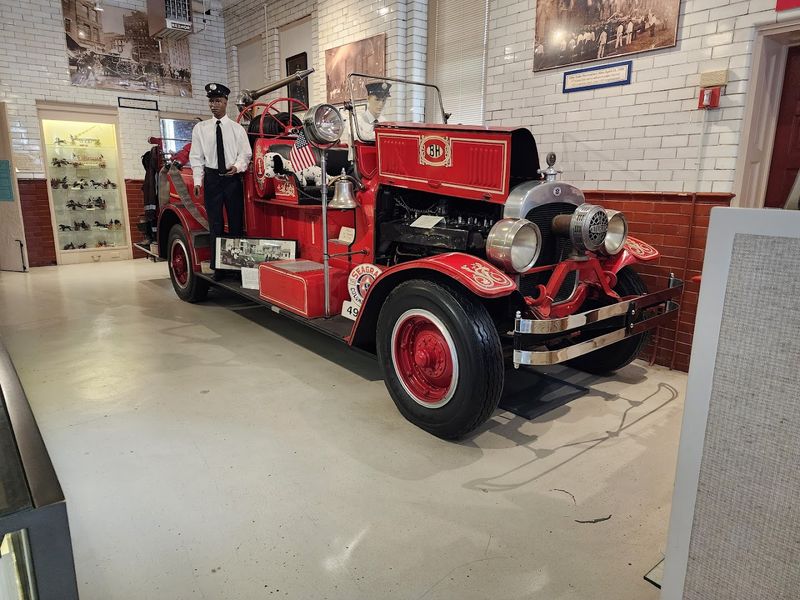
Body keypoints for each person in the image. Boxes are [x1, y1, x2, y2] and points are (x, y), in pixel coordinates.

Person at [189, 82, 252, 276]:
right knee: (215, 224)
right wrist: (198, 181)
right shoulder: (201, 128)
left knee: (235, 222)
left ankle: (235, 267)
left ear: (225, 103)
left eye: (217, 101)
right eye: (211, 101)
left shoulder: (237, 129)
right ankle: (218, 268)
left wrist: (237, 167)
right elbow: (196, 156)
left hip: (232, 180)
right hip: (212, 179)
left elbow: (246, 154)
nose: (213, 105)